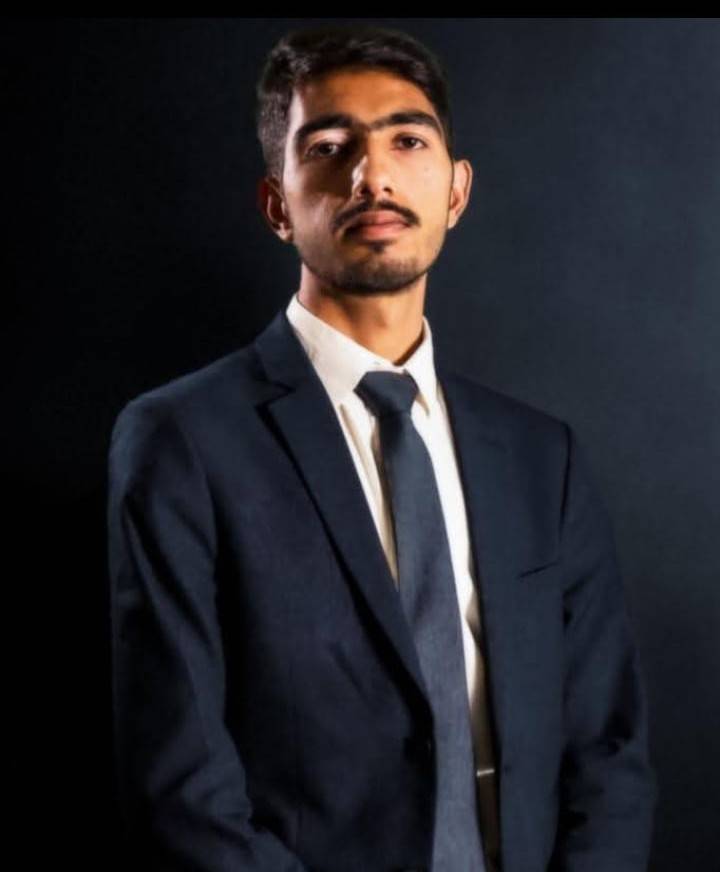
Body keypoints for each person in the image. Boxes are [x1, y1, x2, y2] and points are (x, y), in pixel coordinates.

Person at [107, 24, 657, 872]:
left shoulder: (539, 458)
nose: (374, 176)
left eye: (408, 141)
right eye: (330, 148)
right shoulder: (183, 441)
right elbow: (183, 790)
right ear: (277, 205)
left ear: (457, 192)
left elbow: (608, 754)